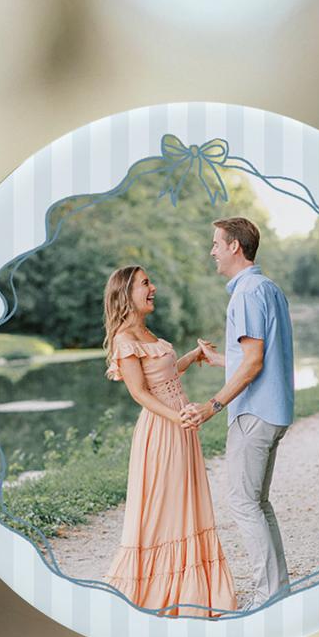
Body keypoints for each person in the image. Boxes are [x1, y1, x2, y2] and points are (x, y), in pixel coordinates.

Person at [99, 262, 235, 616]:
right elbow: (140, 393)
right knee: (165, 507)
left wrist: (195, 355)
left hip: (182, 425)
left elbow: (167, 374)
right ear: (127, 293)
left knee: (185, 503)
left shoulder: (147, 333)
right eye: (146, 283)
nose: (153, 287)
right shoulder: (124, 340)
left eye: (150, 282)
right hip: (162, 429)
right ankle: (155, 588)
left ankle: (193, 589)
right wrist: (180, 417)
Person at [203, 214, 295, 607]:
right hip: (272, 410)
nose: (212, 251)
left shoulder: (246, 293)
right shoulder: (267, 288)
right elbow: (255, 356)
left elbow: (254, 363)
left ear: (234, 246)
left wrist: (214, 404)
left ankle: (267, 597)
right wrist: (219, 359)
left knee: (243, 503)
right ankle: (278, 591)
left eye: (216, 244)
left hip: (253, 413)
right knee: (257, 503)